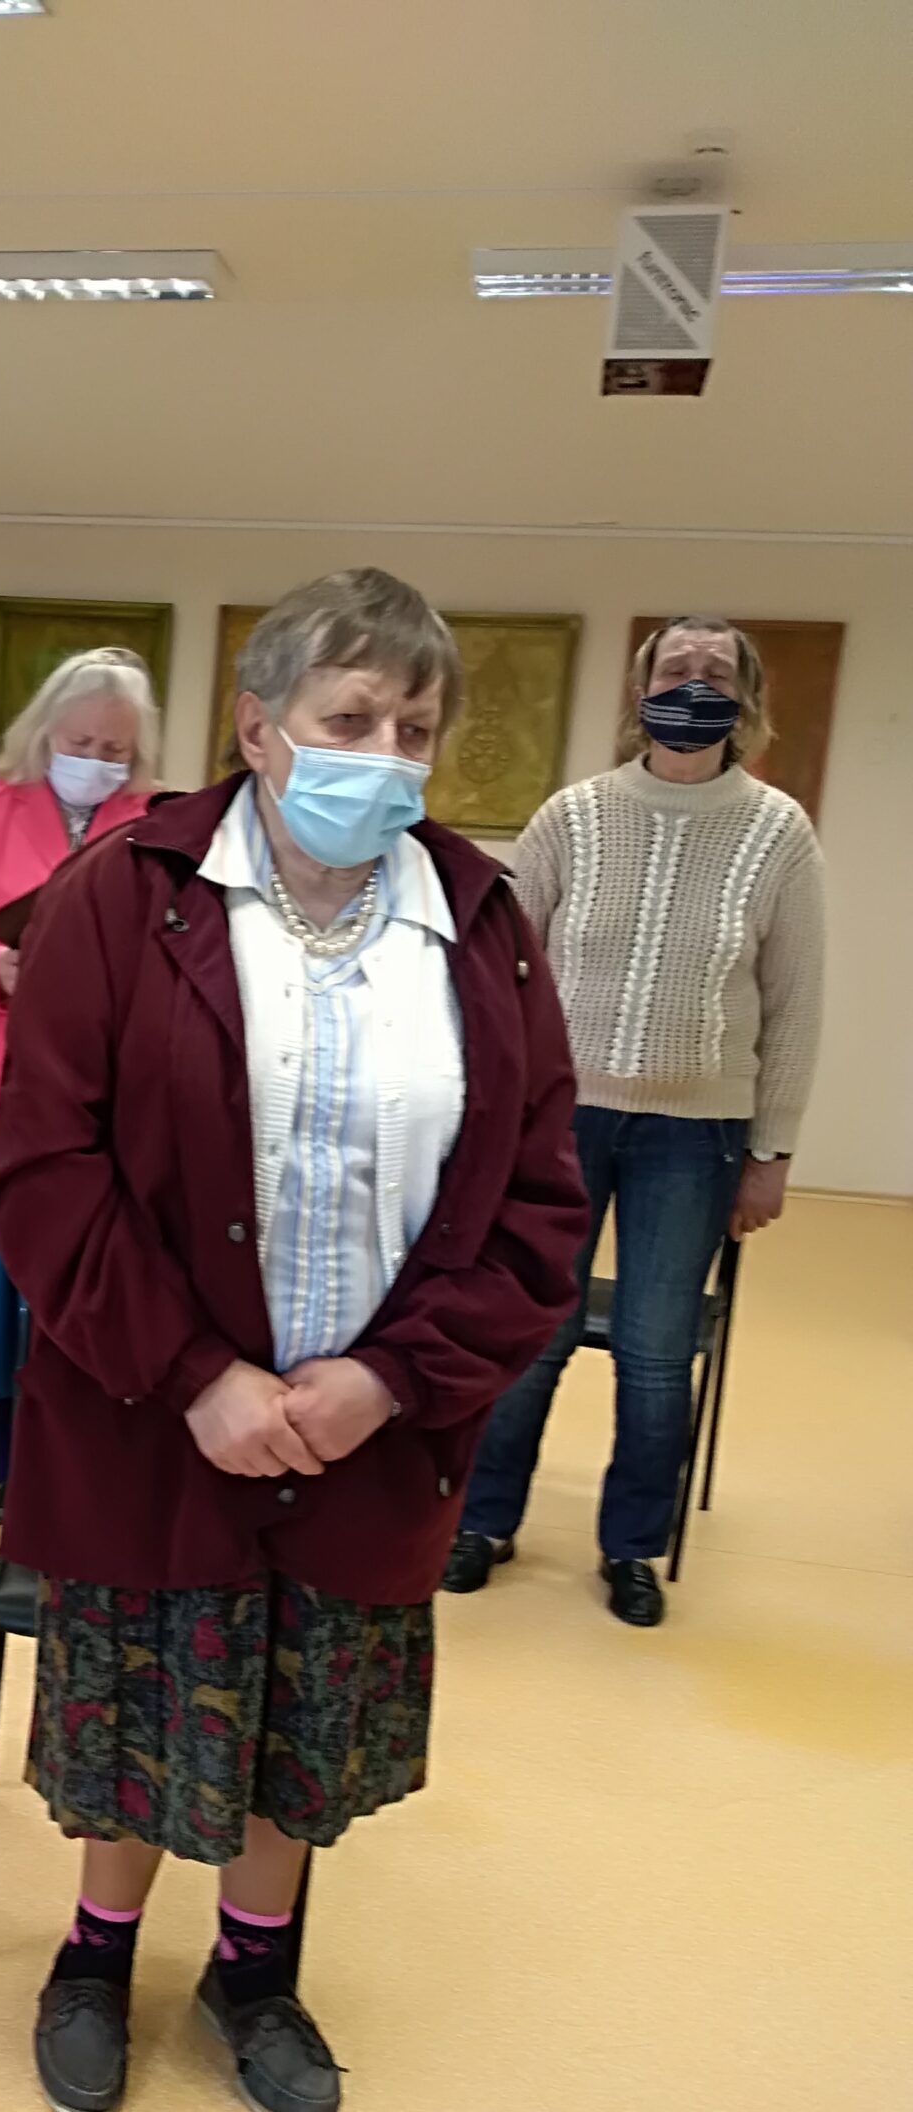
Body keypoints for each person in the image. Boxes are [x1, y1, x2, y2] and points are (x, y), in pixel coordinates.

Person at [0, 569, 587, 2112]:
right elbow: (45, 1171)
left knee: (304, 1718)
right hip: (149, 1412)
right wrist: (200, 1377)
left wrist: (390, 1379)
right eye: (350, 717)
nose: (384, 754)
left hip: (372, 1429)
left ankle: (254, 1974)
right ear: (258, 730)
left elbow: (538, 1207)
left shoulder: (482, 927)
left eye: (415, 728)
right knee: (140, 1699)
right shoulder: (126, 895)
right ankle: (95, 1957)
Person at [444, 616, 827, 1627]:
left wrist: (773, 1153)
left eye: (716, 671)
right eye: (674, 667)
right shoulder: (574, 816)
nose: (693, 682)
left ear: (746, 699)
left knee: (657, 1350)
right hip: (561, 1121)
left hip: (697, 1135)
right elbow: (506, 973)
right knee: (534, 1328)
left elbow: (795, 1003)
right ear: (641, 688)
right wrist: (491, 1114)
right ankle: (483, 1520)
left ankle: (631, 1546)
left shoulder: (779, 832)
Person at [0, 650, 157, 1522]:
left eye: (116, 750)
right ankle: (3, 1447)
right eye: (82, 743)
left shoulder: (156, 820)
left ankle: (84, 1444)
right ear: (45, 734)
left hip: (112, 1089)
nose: (98, 761)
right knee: (0, 1273)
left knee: (93, 1271)